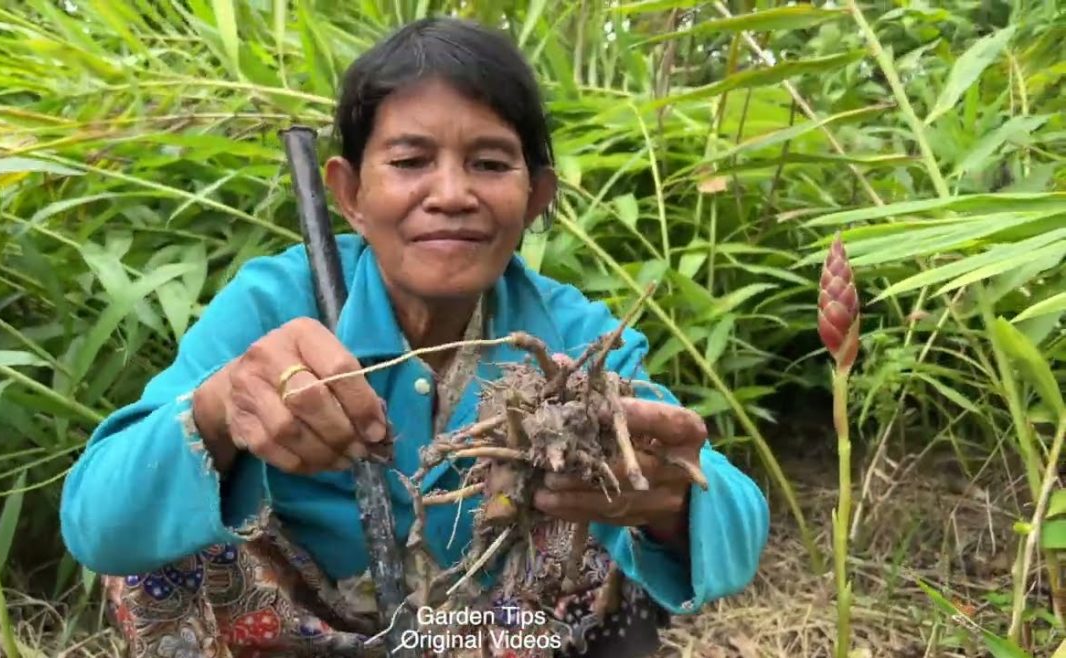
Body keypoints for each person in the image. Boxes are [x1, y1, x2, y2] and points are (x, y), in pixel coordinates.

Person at [59, 16, 769, 658]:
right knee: (174, 504)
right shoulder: (274, 306)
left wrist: (673, 501)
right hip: (306, 635)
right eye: (409, 161)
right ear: (350, 195)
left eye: (490, 164)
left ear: (536, 198)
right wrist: (220, 411)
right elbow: (98, 523)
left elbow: (733, 534)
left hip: (496, 637)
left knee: (615, 511)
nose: (452, 193)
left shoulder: (575, 335)